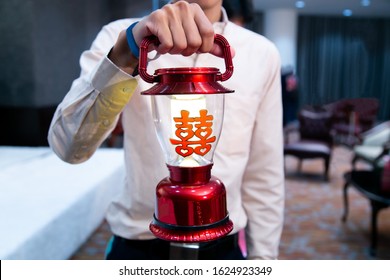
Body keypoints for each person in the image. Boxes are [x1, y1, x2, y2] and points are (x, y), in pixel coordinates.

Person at [48, 0, 284, 260]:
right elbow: (68, 147)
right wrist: (125, 54)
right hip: (139, 246)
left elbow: (265, 173)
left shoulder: (261, 53)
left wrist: (263, 260)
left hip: (221, 247)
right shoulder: (121, 38)